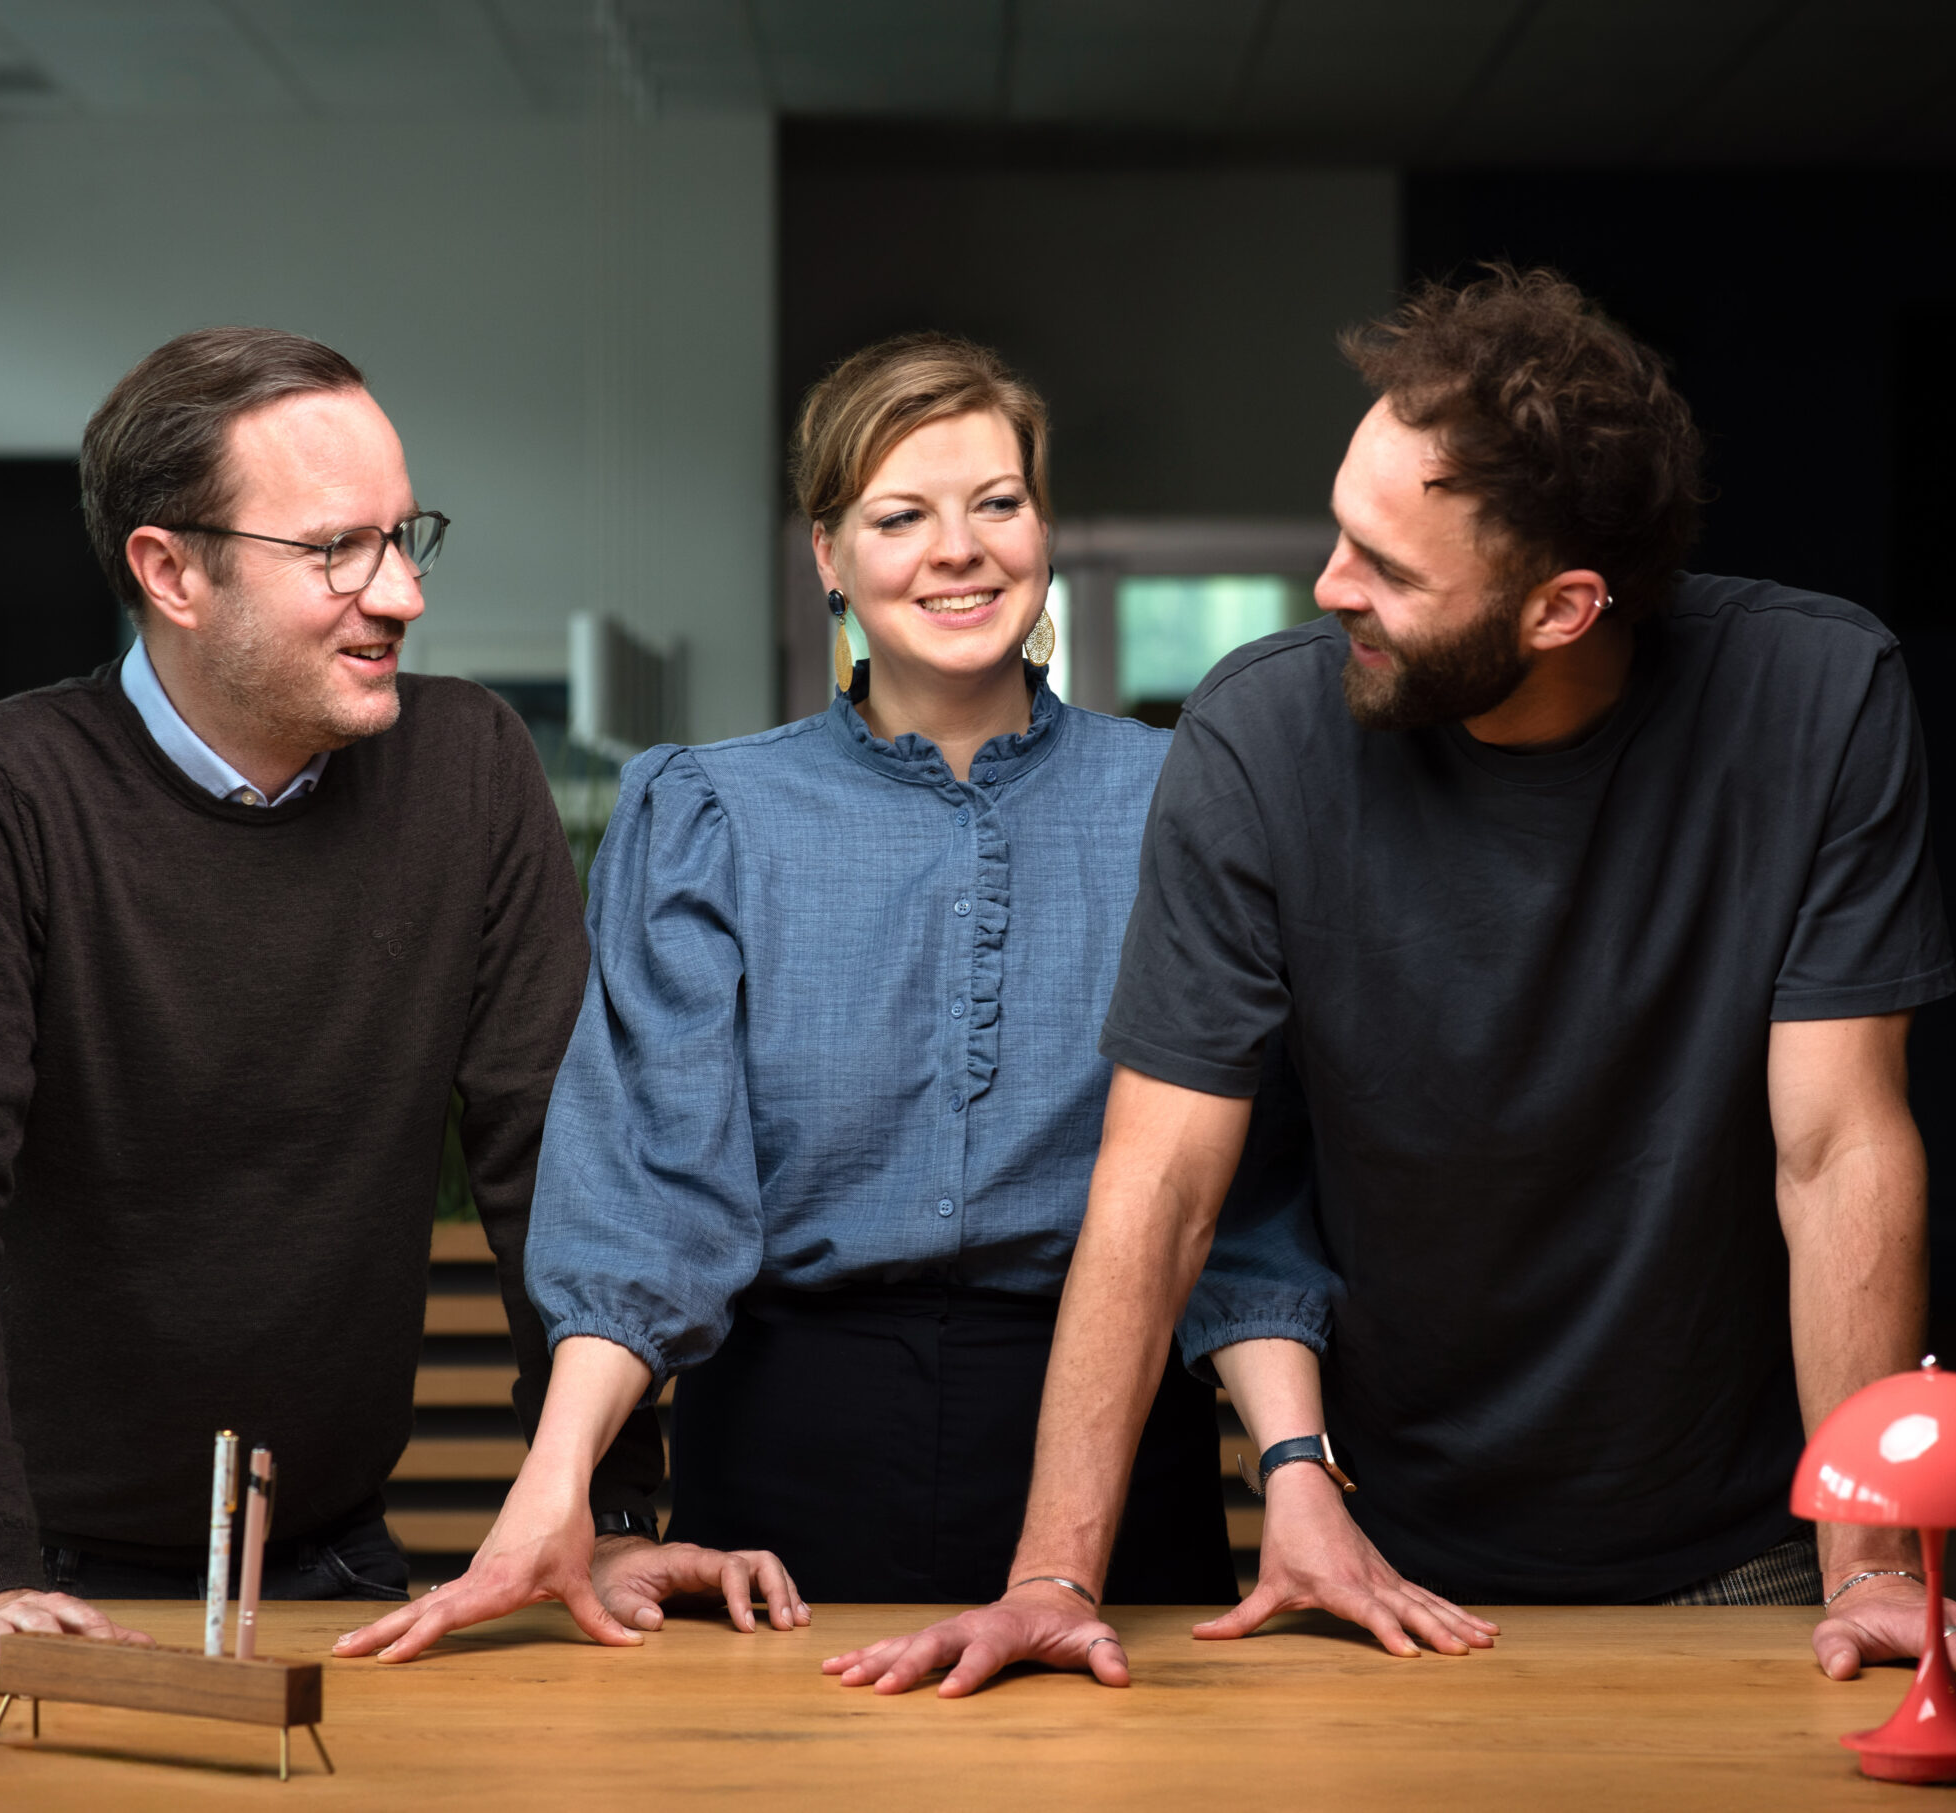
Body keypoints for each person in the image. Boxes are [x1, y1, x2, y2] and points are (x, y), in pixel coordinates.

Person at [828, 267, 1956, 1696]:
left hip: (1752, 1552)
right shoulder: (1259, 734)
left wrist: (1872, 1565)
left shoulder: (1817, 696)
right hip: (1389, 1564)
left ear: (1563, 607)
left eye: (1387, 569)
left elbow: (1838, 1149)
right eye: (1340, 529)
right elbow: (1161, 1181)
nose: (1330, 586)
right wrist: (1053, 1576)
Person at [0, 326, 776, 1698]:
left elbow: (552, 1157)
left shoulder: (469, 766)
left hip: (335, 1558)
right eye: (338, 549)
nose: (402, 592)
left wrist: (612, 1507)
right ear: (171, 572)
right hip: (41, 1578)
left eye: (404, 537)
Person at [340, 332, 1272, 1666]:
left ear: (1044, 528)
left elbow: (1242, 1187)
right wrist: (555, 1488)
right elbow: (648, 1183)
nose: (958, 550)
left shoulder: (1179, 800)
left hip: (1118, 1462)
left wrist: (1296, 1465)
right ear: (828, 555)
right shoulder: (710, 813)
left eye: (997, 503)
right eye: (901, 517)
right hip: (785, 1475)